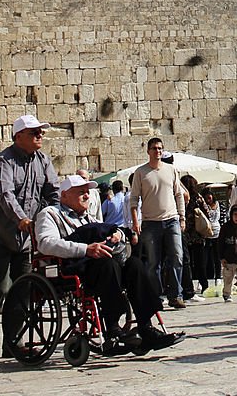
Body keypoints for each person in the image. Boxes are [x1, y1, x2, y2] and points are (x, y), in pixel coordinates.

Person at [34, 175, 182, 352]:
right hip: (73, 269)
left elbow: (109, 227)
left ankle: (146, 326)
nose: (87, 196)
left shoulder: (89, 218)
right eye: (81, 192)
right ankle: (112, 329)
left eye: (88, 192)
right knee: (107, 265)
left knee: (134, 265)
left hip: (100, 265)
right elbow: (46, 243)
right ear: (64, 195)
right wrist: (85, 249)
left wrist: (118, 234)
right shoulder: (50, 214)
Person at [0, 114, 59, 356]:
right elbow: (5, 195)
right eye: (34, 132)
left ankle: (12, 342)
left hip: (26, 238)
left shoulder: (43, 161)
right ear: (18, 136)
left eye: (41, 132)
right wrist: (21, 219)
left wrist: (54, 218)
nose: (40, 136)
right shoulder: (3, 162)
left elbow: (53, 193)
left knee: (23, 288)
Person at [130, 137, 187, 310]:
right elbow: (134, 199)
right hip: (150, 222)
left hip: (171, 220)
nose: (158, 151)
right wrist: (135, 221)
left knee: (177, 257)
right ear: (148, 151)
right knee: (154, 263)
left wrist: (182, 217)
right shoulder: (141, 172)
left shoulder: (171, 170)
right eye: (154, 148)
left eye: (160, 148)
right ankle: (156, 296)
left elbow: (179, 194)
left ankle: (176, 295)